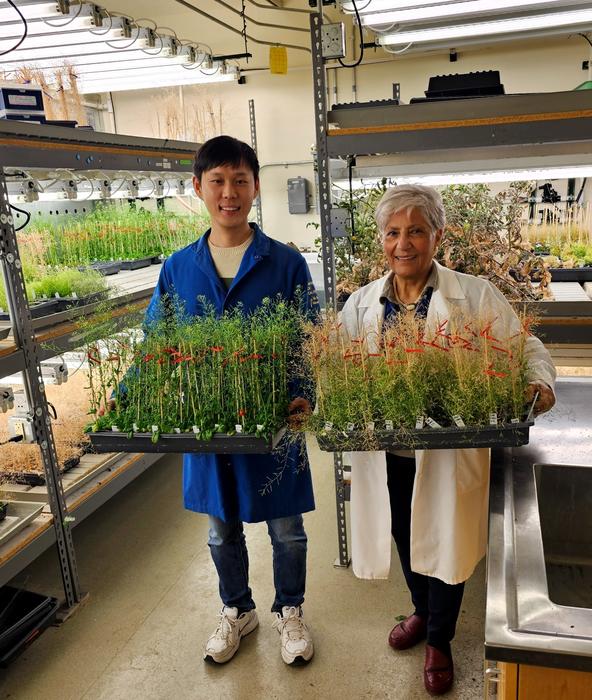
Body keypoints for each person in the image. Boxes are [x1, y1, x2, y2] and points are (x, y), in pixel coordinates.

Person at [339, 184, 555, 695]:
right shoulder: (362, 304)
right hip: (389, 452)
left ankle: (439, 638)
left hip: (450, 448)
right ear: (381, 240)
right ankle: (420, 610)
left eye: (416, 230)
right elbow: (338, 365)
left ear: (438, 235)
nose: (403, 243)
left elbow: (524, 344)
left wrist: (539, 380)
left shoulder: (473, 295)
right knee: (404, 533)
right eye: (393, 232)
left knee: (448, 538)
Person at [145, 135, 318, 666]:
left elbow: (308, 341)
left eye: (240, 180)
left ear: (256, 187)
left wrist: (304, 395)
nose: (229, 193)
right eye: (217, 181)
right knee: (221, 530)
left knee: (287, 528)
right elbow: (156, 345)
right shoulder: (179, 268)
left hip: (274, 421)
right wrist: (127, 399)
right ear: (198, 187)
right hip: (210, 424)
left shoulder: (285, 263)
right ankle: (238, 610)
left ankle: (290, 611)